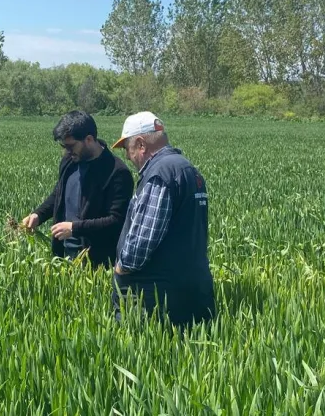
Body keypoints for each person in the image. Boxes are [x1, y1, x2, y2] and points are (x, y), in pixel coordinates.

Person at [110, 111, 216, 327]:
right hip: (193, 290)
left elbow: (143, 239)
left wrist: (122, 268)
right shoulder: (187, 169)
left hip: (158, 300)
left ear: (141, 144)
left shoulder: (159, 174)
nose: (127, 157)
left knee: (148, 358)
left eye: (127, 149)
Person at [22, 110, 134, 269]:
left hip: (97, 264)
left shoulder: (117, 172)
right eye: (63, 146)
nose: (66, 151)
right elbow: (59, 194)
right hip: (63, 256)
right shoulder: (69, 161)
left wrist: (75, 229)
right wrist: (38, 215)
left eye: (70, 146)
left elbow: (116, 221)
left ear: (89, 139)